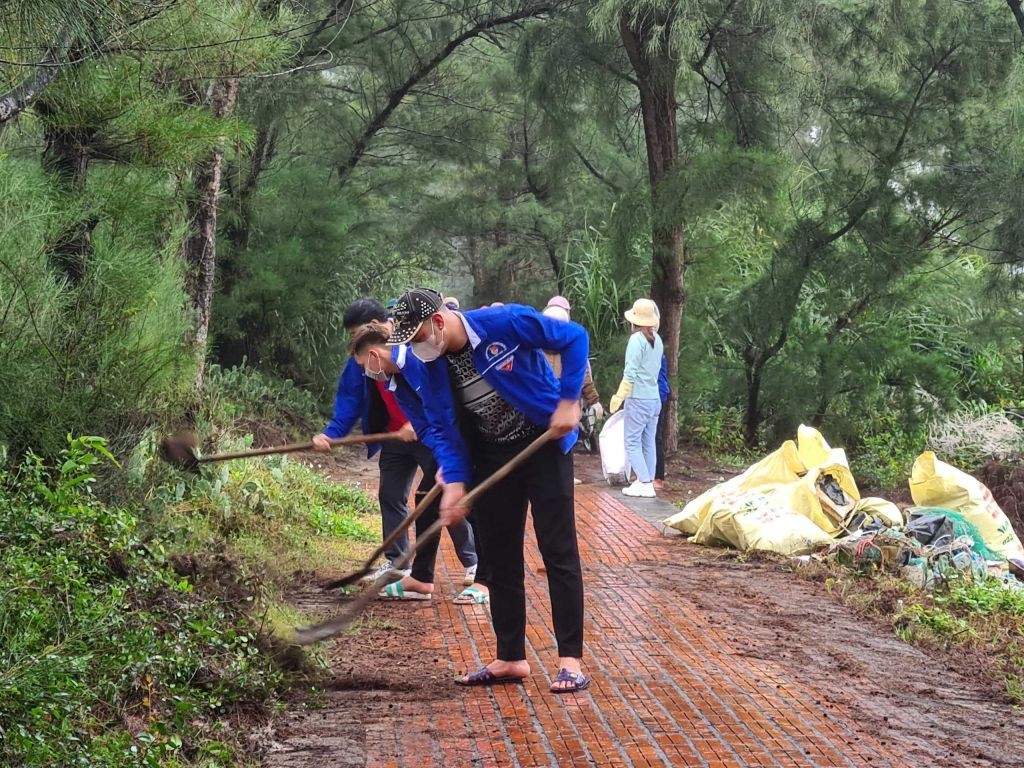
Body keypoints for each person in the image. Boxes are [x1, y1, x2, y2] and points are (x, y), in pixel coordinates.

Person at [387, 288, 590, 693]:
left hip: (543, 443)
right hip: (492, 458)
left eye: (415, 337)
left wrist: (569, 400)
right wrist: (456, 480)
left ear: (438, 323)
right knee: (500, 556)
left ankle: (570, 659)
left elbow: (575, 337)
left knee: (558, 550)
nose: (413, 348)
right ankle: (511, 657)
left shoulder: (504, 322)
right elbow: (443, 428)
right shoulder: (431, 367)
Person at [310, 299, 476, 587]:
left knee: (441, 493)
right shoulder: (362, 359)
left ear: (374, 326)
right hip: (394, 436)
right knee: (391, 495)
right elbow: (349, 400)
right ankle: (399, 564)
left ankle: (474, 562)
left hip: (430, 435)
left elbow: (438, 395)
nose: (354, 339)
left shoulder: (413, 347)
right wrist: (331, 434)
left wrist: (420, 423)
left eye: (356, 331)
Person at [346, 323, 485, 604]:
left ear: (374, 355)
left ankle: (485, 578)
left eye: (364, 366)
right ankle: (422, 579)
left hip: (469, 435)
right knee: (426, 501)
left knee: (469, 505)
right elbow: (425, 424)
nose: (366, 373)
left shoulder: (417, 362)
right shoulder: (394, 380)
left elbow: (449, 409)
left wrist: (453, 458)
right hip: (444, 441)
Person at [609, 298, 664, 498]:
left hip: (638, 398)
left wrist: (619, 396)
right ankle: (646, 480)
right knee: (648, 441)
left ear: (635, 321)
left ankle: (644, 481)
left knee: (632, 441)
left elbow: (630, 373)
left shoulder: (636, 340)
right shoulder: (657, 340)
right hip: (654, 398)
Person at [654, 353, 671, 491]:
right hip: (652, 395)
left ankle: (659, 477)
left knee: (655, 437)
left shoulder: (655, 350)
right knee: (646, 437)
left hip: (657, 395)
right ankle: (647, 473)